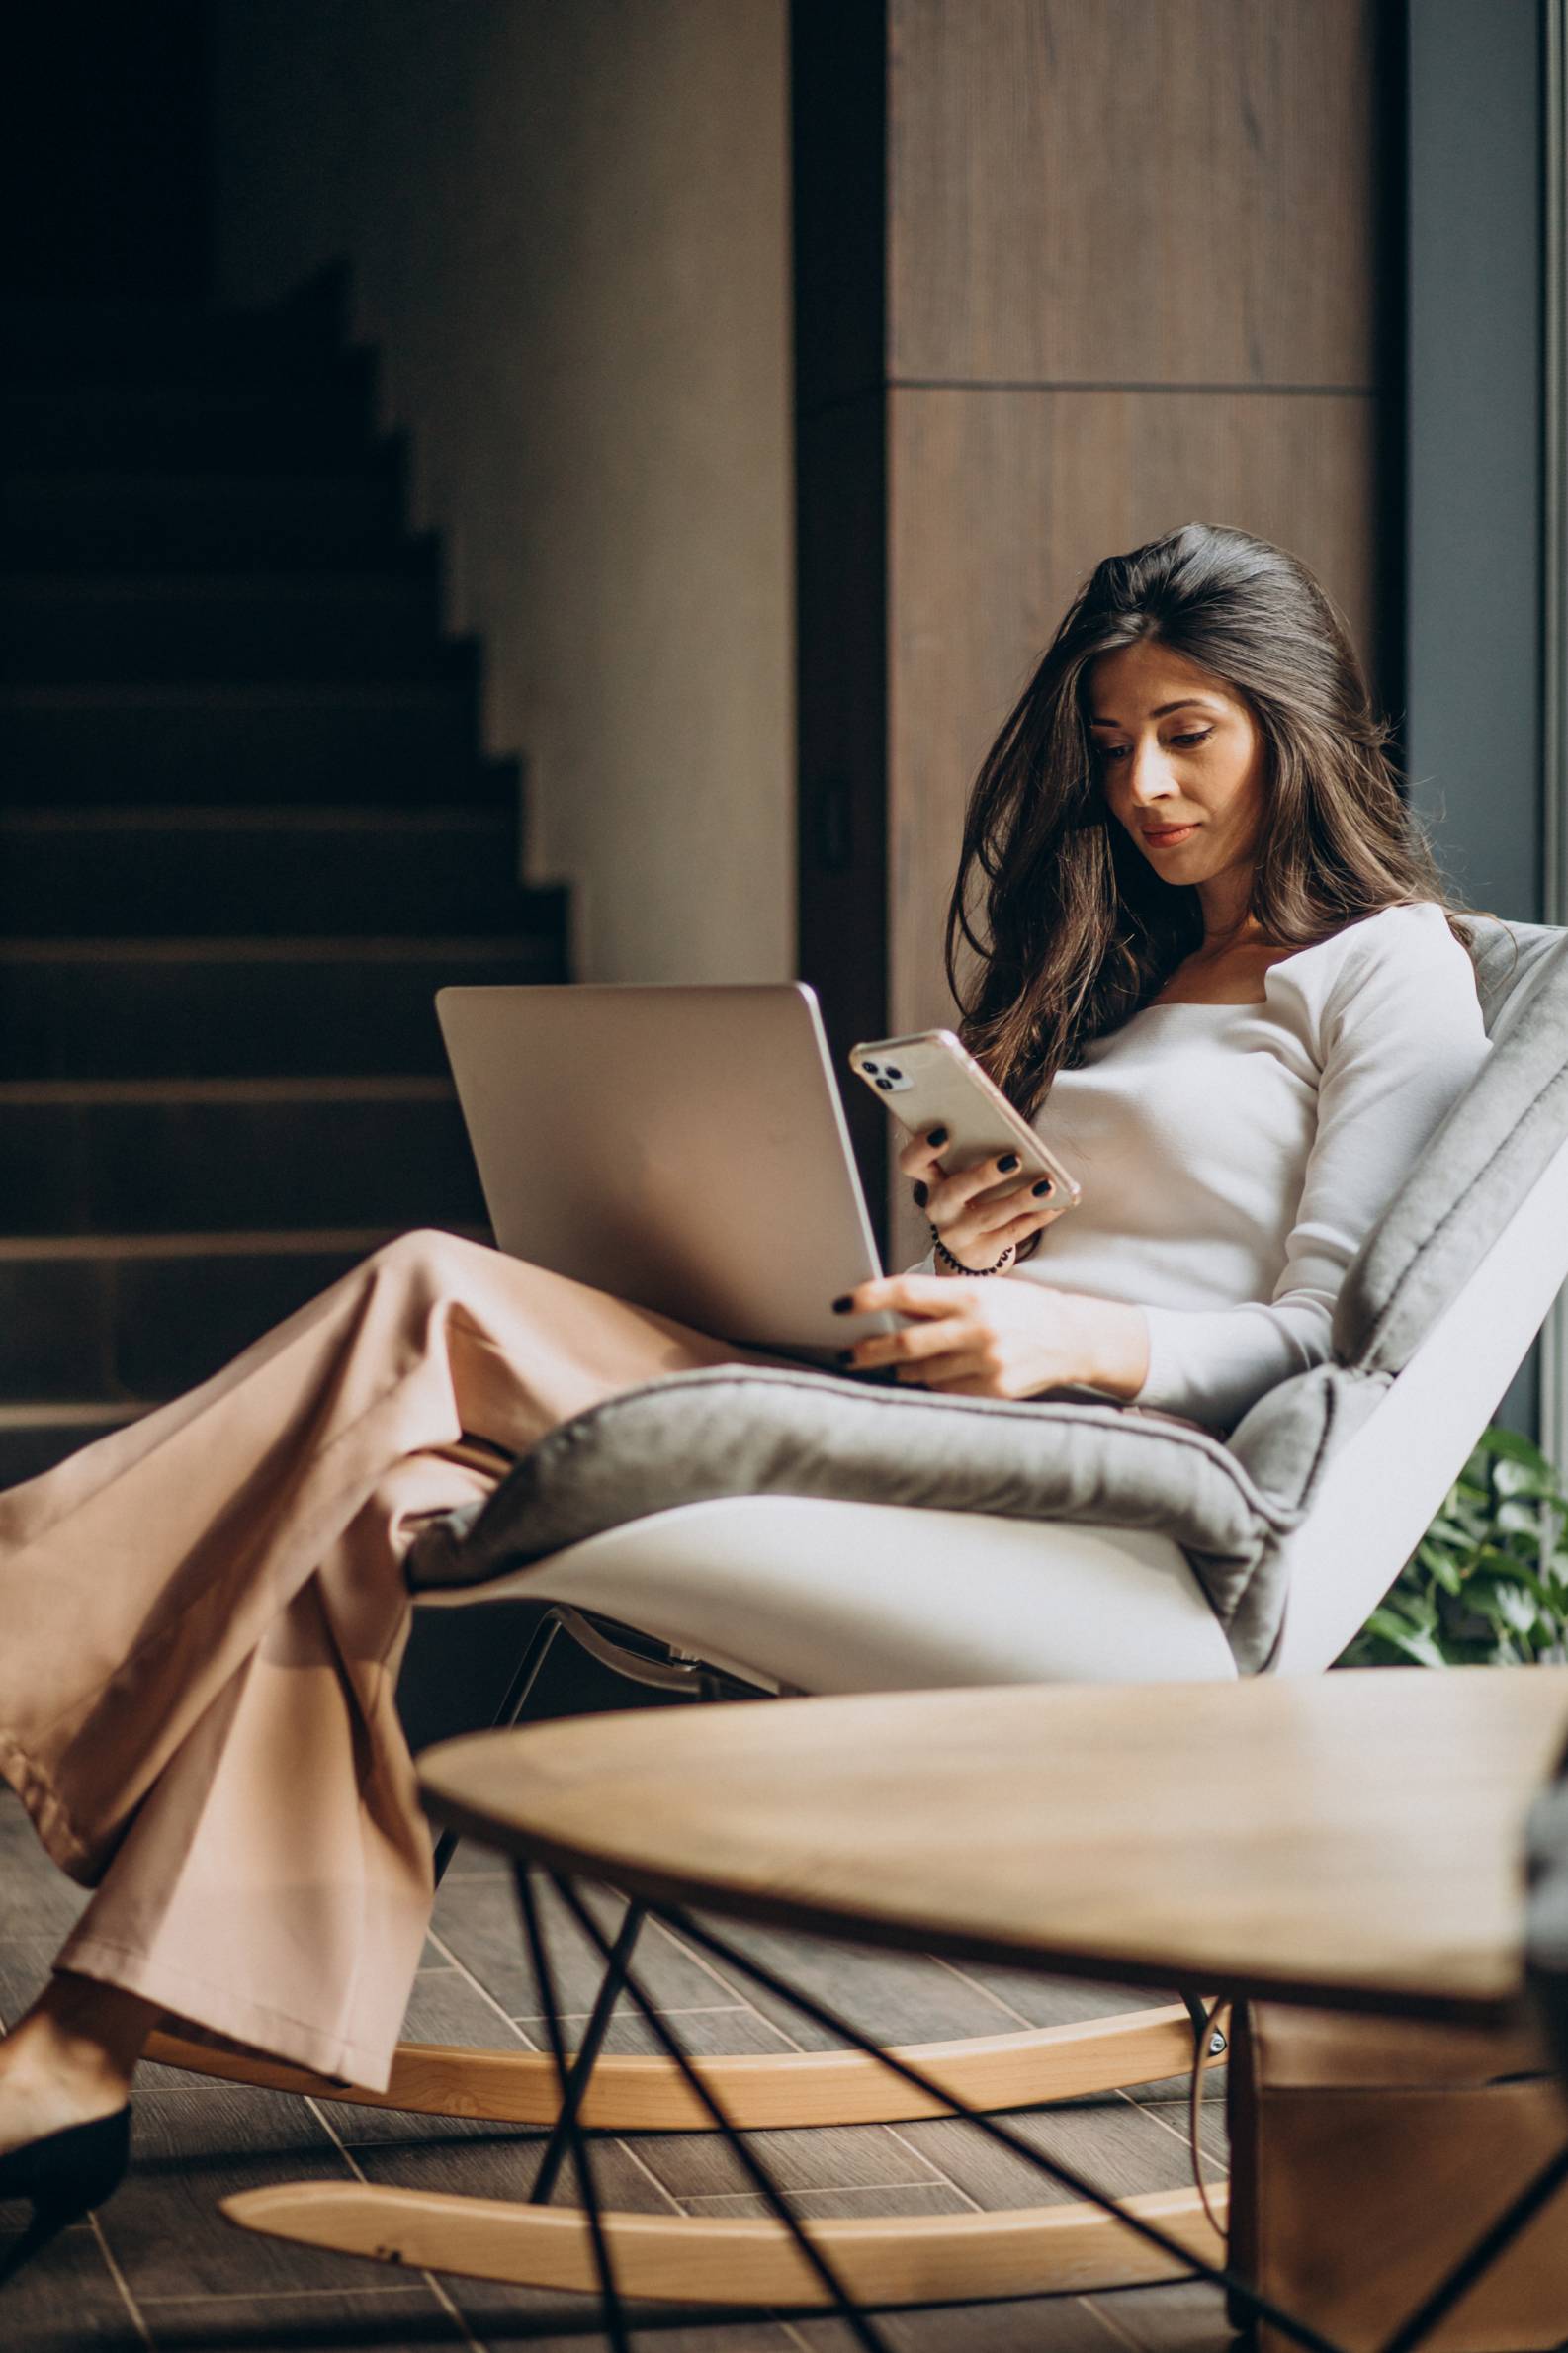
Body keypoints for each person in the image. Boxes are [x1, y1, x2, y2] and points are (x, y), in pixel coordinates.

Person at [0, 521, 1494, 2274]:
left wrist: (1074, 1346)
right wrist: (987, 1257)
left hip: (1103, 1513)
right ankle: (76, 2054)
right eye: (1110, 747)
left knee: (429, 1284)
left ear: (1291, 722)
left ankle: (30, 1619)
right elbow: (1099, 1269)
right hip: (944, 1428)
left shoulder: (1390, 970)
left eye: (1189, 733)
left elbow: (1330, 1336)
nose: (1145, 787)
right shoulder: (1133, 965)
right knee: (374, 1483)